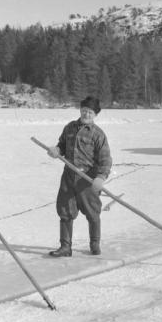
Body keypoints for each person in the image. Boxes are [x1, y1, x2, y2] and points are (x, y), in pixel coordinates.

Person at [47, 96, 112, 257]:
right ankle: (65, 247)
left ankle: (95, 244)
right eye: (84, 111)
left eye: (90, 112)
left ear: (95, 114)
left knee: (92, 212)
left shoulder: (98, 135)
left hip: (87, 179)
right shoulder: (70, 128)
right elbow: (62, 145)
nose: (86, 114)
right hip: (69, 176)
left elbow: (105, 159)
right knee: (65, 211)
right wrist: (56, 150)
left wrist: (100, 177)